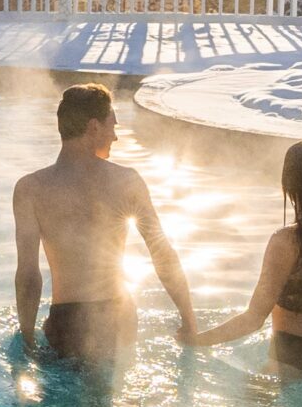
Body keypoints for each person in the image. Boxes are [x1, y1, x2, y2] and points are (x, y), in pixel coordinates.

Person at [13, 84, 197, 363]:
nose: (116, 136)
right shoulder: (127, 181)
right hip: (117, 319)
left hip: (65, 324)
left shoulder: (30, 188)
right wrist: (188, 318)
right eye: (113, 126)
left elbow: (28, 275)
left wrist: (26, 336)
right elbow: (162, 254)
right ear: (94, 127)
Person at [181, 140, 302, 375]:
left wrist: (197, 340)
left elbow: (254, 318)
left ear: (291, 184)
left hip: (291, 356)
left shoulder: (285, 241)